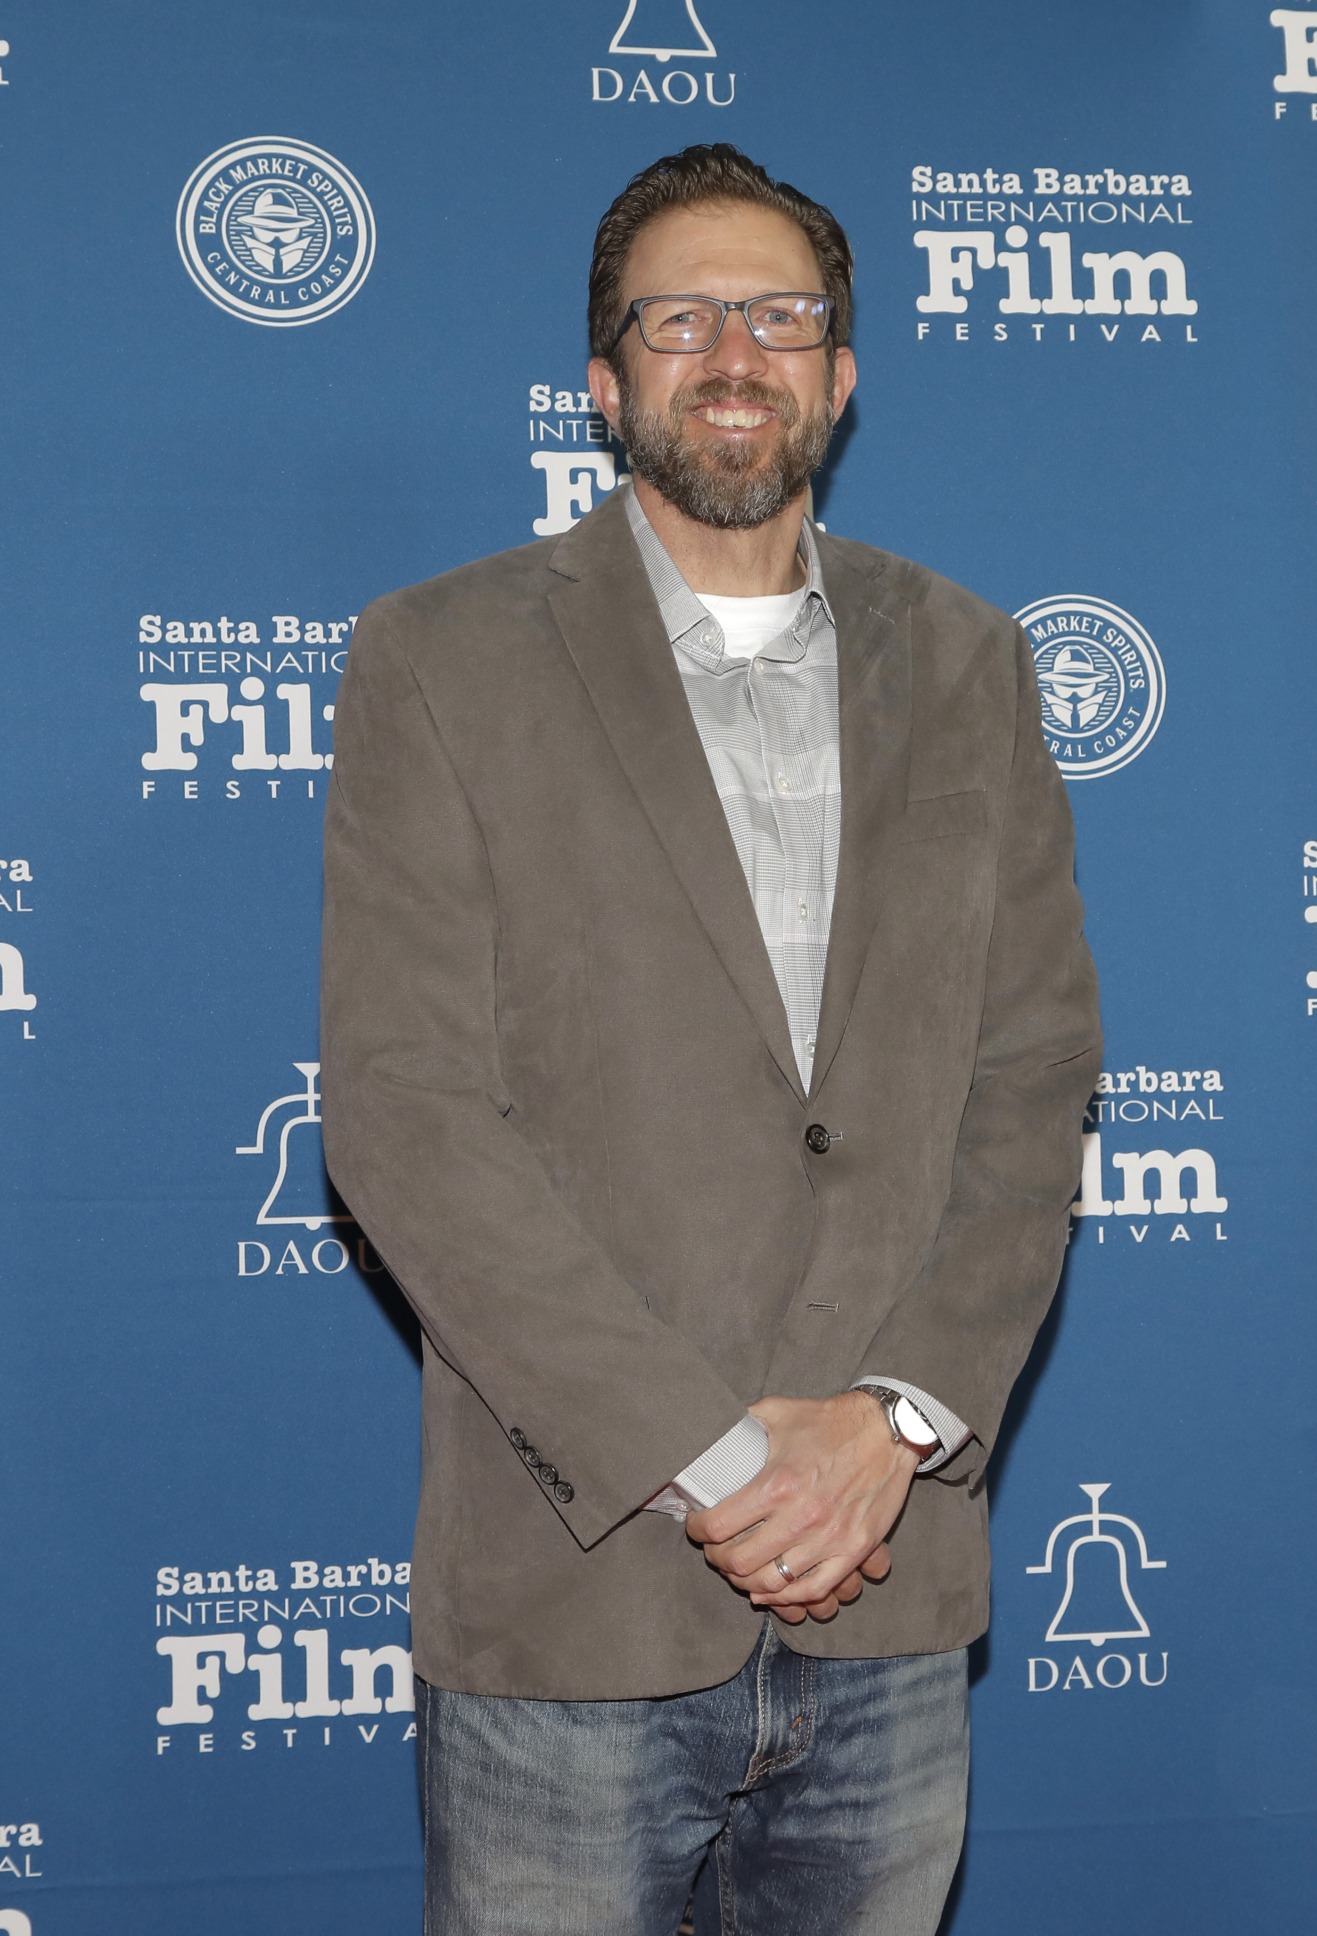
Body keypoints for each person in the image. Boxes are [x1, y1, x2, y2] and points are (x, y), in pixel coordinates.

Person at [321, 142, 1101, 1936]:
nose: (731, 352)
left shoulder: (974, 661)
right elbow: (406, 1113)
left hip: (890, 1591)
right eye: (678, 318)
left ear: (840, 371)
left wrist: (888, 1424)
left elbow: (1032, 1072)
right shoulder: (438, 659)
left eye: (779, 313)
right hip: (573, 1597)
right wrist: (725, 1460)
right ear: (606, 383)